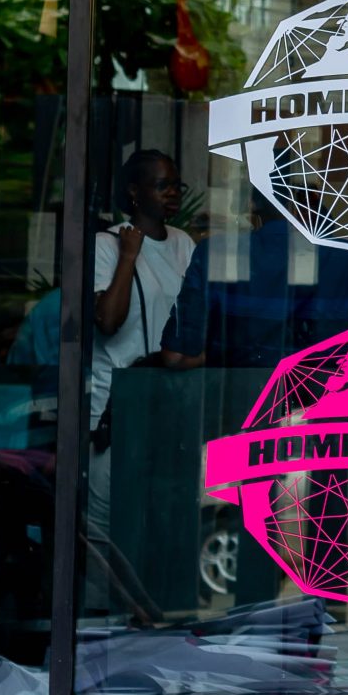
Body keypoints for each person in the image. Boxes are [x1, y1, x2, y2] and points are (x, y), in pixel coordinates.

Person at [86, 148, 202, 542]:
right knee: (107, 528)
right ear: (135, 191)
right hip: (117, 406)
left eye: (177, 185)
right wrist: (129, 256)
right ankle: (101, 589)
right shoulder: (107, 244)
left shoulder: (184, 244)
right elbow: (107, 321)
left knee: (159, 527)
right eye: (162, 185)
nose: (173, 193)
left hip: (171, 406)